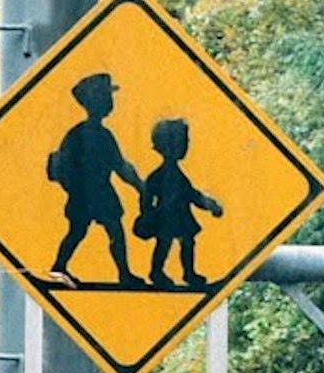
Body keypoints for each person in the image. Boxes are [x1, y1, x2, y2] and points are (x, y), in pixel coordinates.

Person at [45, 71, 141, 284]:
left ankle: (123, 272)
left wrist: (139, 186)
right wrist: (140, 186)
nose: (110, 101)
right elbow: (121, 166)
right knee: (92, 231)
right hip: (91, 192)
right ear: (97, 101)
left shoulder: (85, 133)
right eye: (107, 96)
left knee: (104, 230)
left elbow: (120, 165)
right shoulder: (91, 134)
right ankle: (59, 268)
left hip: (92, 192)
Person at [134, 114, 223, 288]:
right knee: (165, 243)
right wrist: (147, 213)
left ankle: (188, 273)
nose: (186, 146)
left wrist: (210, 205)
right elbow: (147, 195)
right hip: (166, 216)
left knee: (186, 242)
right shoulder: (160, 175)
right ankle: (157, 271)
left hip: (179, 215)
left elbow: (192, 194)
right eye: (183, 141)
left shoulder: (174, 174)